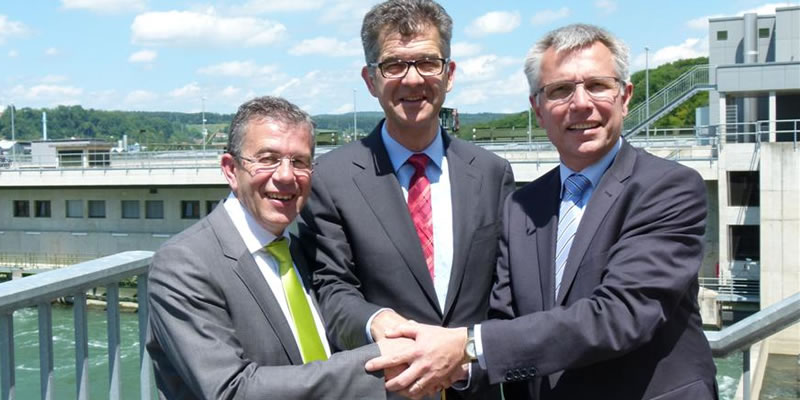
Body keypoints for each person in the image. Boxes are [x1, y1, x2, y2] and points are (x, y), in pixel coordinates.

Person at [367, 23, 718, 400]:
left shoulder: (667, 188)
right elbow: (505, 322)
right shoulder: (522, 207)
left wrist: (466, 346)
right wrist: (447, 365)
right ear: (538, 108)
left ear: (625, 96)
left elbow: (623, 314)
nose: (580, 103)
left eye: (597, 86)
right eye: (560, 90)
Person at [298, 0, 513, 398]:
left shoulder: (491, 173)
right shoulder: (330, 179)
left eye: (428, 63)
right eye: (394, 65)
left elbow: (505, 291)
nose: (413, 80)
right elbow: (331, 287)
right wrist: (376, 321)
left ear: (449, 74)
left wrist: (465, 358)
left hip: (473, 386)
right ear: (370, 80)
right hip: (386, 389)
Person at [146, 96, 413, 400]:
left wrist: (380, 323)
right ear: (231, 170)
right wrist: (378, 361)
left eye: (299, 162)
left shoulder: (301, 251)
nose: (286, 176)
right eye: (268, 159)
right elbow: (231, 391)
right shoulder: (183, 264)